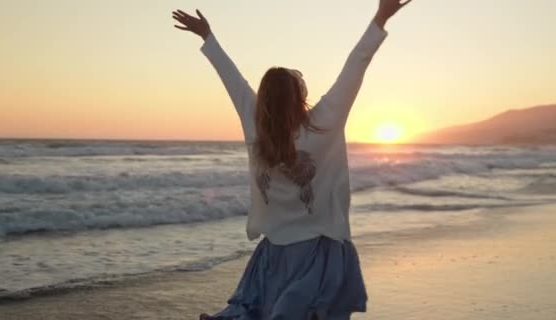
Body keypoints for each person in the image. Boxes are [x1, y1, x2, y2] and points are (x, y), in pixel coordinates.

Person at [172, 1, 414, 319]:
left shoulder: (254, 123)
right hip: (319, 251)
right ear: (299, 96)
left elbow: (231, 79)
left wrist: (208, 37)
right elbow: (357, 64)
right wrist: (380, 17)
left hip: (274, 252)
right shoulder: (325, 120)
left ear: (265, 99)